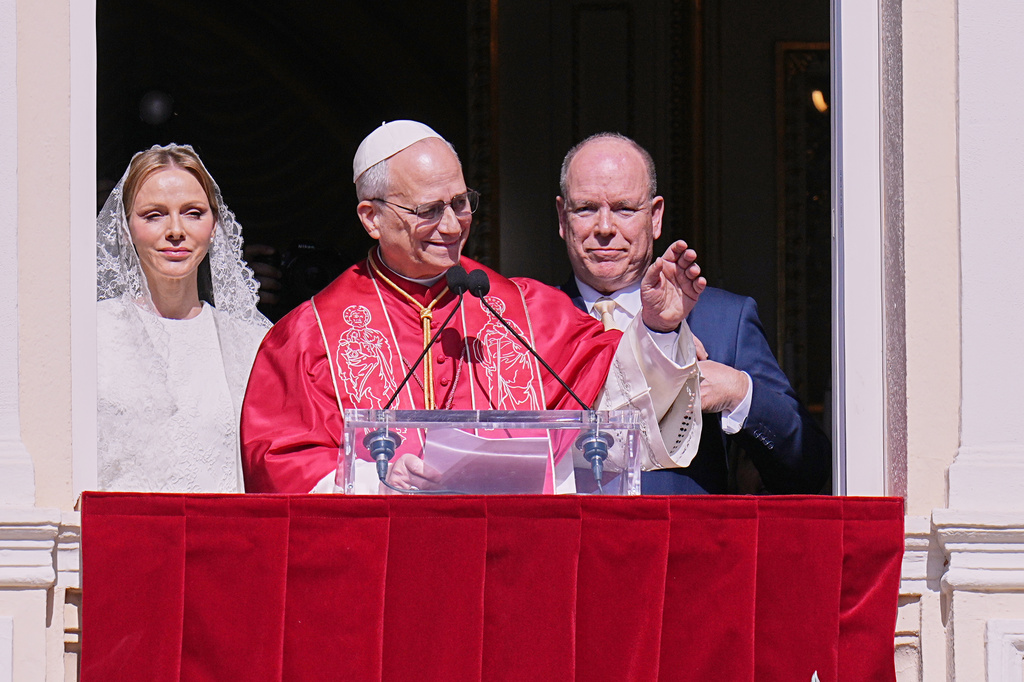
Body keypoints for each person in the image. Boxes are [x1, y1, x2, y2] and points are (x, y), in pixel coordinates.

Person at [241, 120, 707, 494]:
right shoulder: (308, 335)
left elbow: (617, 405)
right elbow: (277, 463)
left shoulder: (523, 310)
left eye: (461, 204)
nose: (450, 226)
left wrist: (660, 329)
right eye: (428, 210)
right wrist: (374, 481)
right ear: (372, 218)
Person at [557, 132, 830, 494]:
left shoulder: (722, 321)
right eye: (586, 208)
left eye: (624, 208)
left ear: (655, 217)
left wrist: (739, 393)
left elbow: (808, 467)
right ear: (562, 217)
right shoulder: (526, 322)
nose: (605, 228)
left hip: (684, 547)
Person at [96, 143, 271, 492]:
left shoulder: (251, 343)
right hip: (120, 535)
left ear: (214, 226)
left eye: (193, 212)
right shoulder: (91, 332)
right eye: (154, 215)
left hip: (222, 537)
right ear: (126, 227)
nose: (175, 230)